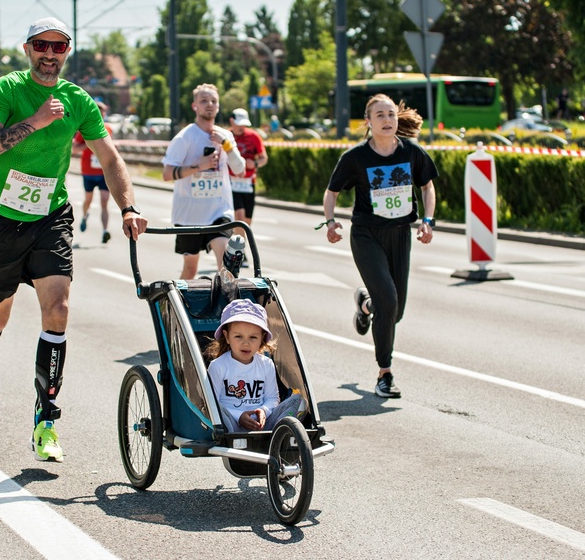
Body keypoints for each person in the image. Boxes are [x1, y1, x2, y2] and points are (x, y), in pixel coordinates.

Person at [0, 17, 147, 462]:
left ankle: (46, 421)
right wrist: (37, 120)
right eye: (42, 46)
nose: (50, 54)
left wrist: (127, 206)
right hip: (0, 219)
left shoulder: (78, 100)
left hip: (50, 215)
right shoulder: (7, 90)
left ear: (67, 52)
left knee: (59, 308)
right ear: (28, 49)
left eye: (59, 47)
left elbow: (109, 157)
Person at [320, 94, 437, 399]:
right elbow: (331, 192)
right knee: (388, 301)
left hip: (400, 234)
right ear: (368, 122)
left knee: (393, 311)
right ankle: (385, 373)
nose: (387, 120)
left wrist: (428, 220)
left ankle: (365, 304)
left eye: (391, 114)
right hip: (367, 235)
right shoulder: (356, 157)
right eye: (380, 115)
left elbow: (427, 186)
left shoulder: (412, 152)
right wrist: (330, 222)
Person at [161, 83, 245, 279]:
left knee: (227, 264)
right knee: (190, 270)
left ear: (218, 106)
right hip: (189, 215)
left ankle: (225, 306)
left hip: (218, 211)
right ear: (194, 106)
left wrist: (227, 146)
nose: (209, 104)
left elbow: (240, 170)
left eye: (214, 101)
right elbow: (166, 173)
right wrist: (199, 166)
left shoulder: (225, 136)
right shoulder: (185, 137)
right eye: (204, 101)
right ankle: (177, 308)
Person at [207, 299, 306, 432]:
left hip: (263, 425)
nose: (246, 343)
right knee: (214, 406)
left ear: (262, 338)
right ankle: (232, 441)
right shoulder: (218, 366)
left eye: (253, 337)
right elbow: (213, 404)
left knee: (299, 401)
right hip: (231, 425)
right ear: (227, 336)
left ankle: (278, 435)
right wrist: (239, 416)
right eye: (238, 337)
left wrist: (264, 411)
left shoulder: (266, 364)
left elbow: (272, 398)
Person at [73, 100, 113, 243]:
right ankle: (84, 216)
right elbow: (74, 148)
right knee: (88, 200)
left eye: (103, 113)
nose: (101, 115)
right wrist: (89, 145)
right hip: (88, 172)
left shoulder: (108, 129)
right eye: (99, 112)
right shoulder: (83, 129)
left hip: (103, 172)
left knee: (104, 202)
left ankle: (105, 231)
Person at [227, 108, 268, 244]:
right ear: (231, 121)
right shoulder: (226, 136)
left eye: (244, 124)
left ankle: (236, 244)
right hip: (231, 181)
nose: (241, 127)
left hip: (248, 183)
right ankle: (239, 251)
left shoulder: (254, 136)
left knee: (247, 221)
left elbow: (264, 158)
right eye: (239, 124)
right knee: (239, 216)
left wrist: (255, 164)